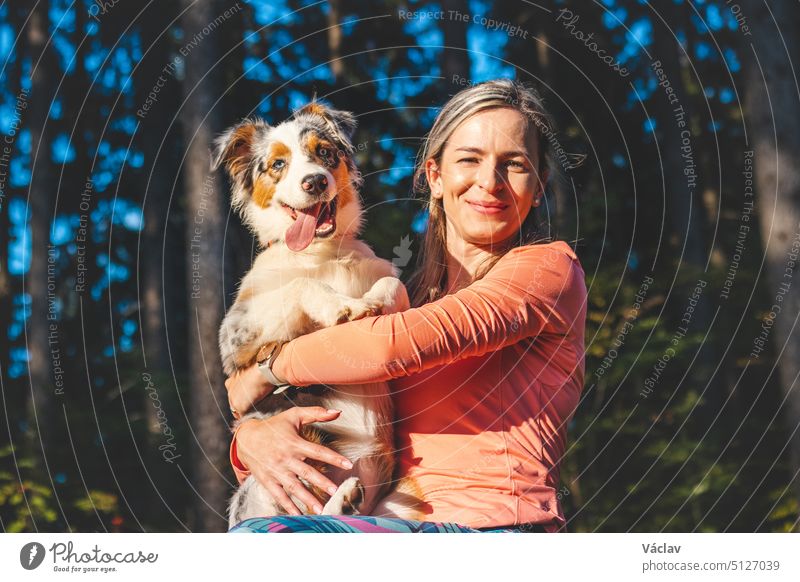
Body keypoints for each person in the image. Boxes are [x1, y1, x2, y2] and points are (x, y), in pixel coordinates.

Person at [224, 79, 587, 533]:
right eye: (469, 159)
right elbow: (322, 404)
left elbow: (385, 349)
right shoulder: (411, 292)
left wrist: (264, 371)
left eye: (513, 164)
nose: (489, 182)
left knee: (265, 541)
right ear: (435, 176)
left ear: (539, 186)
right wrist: (251, 439)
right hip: (385, 518)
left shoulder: (546, 270)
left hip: (493, 529)